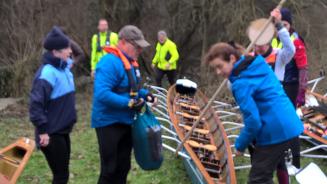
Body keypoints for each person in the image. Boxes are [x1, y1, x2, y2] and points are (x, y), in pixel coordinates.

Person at [204, 41, 303, 184]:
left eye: (220, 66)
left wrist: (240, 144)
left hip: (276, 129)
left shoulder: (240, 83)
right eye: (215, 69)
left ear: (232, 58)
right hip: (288, 123)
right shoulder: (257, 64)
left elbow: (253, 121)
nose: (218, 72)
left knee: (258, 179)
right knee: (263, 174)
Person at [91, 25, 156, 184]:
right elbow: (102, 93)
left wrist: (145, 95)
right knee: (110, 169)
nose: (139, 51)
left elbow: (132, 89)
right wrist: (128, 103)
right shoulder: (109, 62)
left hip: (126, 121)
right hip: (108, 122)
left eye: (141, 48)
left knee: (123, 166)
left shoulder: (130, 62)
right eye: (137, 47)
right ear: (123, 42)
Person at [29, 26, 77, 184]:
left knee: (63, 173)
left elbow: (76, 55)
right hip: (50, 133)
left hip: (62, 130)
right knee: (61, 176)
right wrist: (42, 131)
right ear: (55, 52)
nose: (70, 51)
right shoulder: (47, 73)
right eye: (66, 48)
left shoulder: (64, 69)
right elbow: (36, 105)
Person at [271, 8, 309, 108]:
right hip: (277, 83)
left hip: (291, 84)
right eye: (280, 25)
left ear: (290, 25)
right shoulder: (274, 40)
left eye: (285, 25)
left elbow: (303, 68)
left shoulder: (296, 40)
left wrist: (302, 90)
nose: (283, 28)